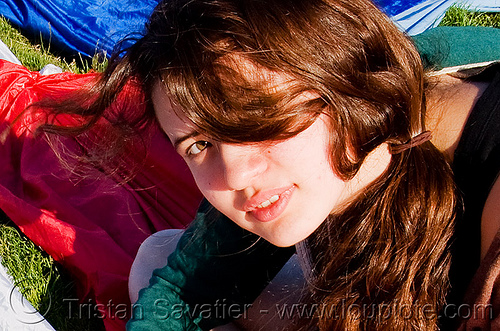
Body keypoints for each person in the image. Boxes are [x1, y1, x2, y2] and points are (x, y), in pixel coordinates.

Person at [35, 0, 500, 330]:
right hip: (366, 295)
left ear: (344, 86)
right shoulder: (316, 156)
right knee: (157, 257)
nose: (235, 176)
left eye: (255, 120)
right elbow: (181, 290)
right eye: (198, 144)